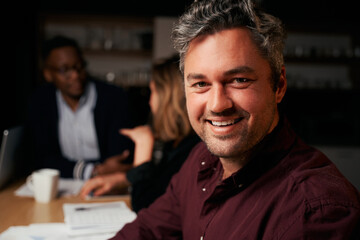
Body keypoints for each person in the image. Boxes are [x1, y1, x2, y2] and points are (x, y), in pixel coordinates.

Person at [109, 0, 360, 239]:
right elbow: (148, 230)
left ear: (279, 85)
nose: (218, 105)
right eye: (200, 83)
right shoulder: (200, 159)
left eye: (239, 80)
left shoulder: (315, 212)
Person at [80, 55, 200, 212]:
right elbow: (159, 183)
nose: (150, 101)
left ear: (167, 98)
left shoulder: (192, 149)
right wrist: (123, 179)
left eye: (153, 92)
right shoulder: (177, 143)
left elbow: (145, 207)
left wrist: (143, 145)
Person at [25, 35, 134, 180]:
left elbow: (120, 157)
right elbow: (41, 159)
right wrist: (91, 170)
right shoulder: (40, 102)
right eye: (64, 70)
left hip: (108, 181)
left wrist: (100, 171)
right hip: (64, 184)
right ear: (48, 75)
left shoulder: (113, 97)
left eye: (79, 66)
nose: (75, 75)